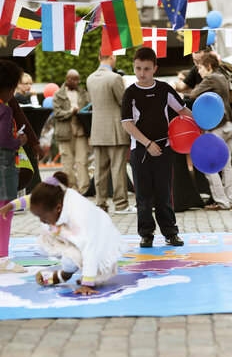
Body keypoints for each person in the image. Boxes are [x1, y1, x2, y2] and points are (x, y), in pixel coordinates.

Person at [0, 172, 126, 295]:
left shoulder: (79, 218)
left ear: (58, 208)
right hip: (81, 234)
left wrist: (86, 284)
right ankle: (70, 267)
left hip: (101, 243)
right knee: (46, 244)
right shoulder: (56, 196)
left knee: (72, 260)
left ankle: (64, 275)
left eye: (44, 216)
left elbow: (92, 249)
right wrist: (10, 206)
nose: (41, 220)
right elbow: (32, 198)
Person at [121, 47, 193, 248]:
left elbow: (182, 110)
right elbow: (127, 123)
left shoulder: (164, 89)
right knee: (143, 195)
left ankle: (170, 233)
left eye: (146, 69)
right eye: (138, 68)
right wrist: (148, 144)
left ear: (155, 68)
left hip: (164, 149)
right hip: (140, 150)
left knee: (164, 193)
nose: (141, 73)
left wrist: (200, 124)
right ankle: (146, 234)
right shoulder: (130, 93)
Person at [87, 54, 135, 214]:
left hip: (97, 130)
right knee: (118, 168)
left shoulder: (90, 78)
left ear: (99, 57)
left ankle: (100, 204)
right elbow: (125, 102)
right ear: (112, 57)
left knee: (100, 170)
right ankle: (121, 204)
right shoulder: (114, 78)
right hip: (115, 130)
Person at [191, 53, 232, 210]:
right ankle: (230, 198)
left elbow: (193, 94)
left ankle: (222, 201)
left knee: (209, 166)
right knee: (227, 165)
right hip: (229, 124)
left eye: (200, 68)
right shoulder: (222, 77)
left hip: (217, 127)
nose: (198, 72)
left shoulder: (210, 78)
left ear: (209, 67)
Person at [0, 60, 28, 273]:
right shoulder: (5, 110)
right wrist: (20, 140)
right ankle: (2, 259)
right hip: (4, 167)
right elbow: (4, 140)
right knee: (4, 211)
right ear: (9, 88)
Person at [53, 69, 90, 196]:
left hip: (80, 130)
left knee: (82, 161)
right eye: (73, 79)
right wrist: (70, 112)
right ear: (67, 78)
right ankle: (72, 189)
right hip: (65, 132)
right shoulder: (58, 94)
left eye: (77, 79)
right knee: (67, 163)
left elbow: (89, 108)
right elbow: (57, 113)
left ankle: (85, 189)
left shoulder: (83, 92)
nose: (75, 82)